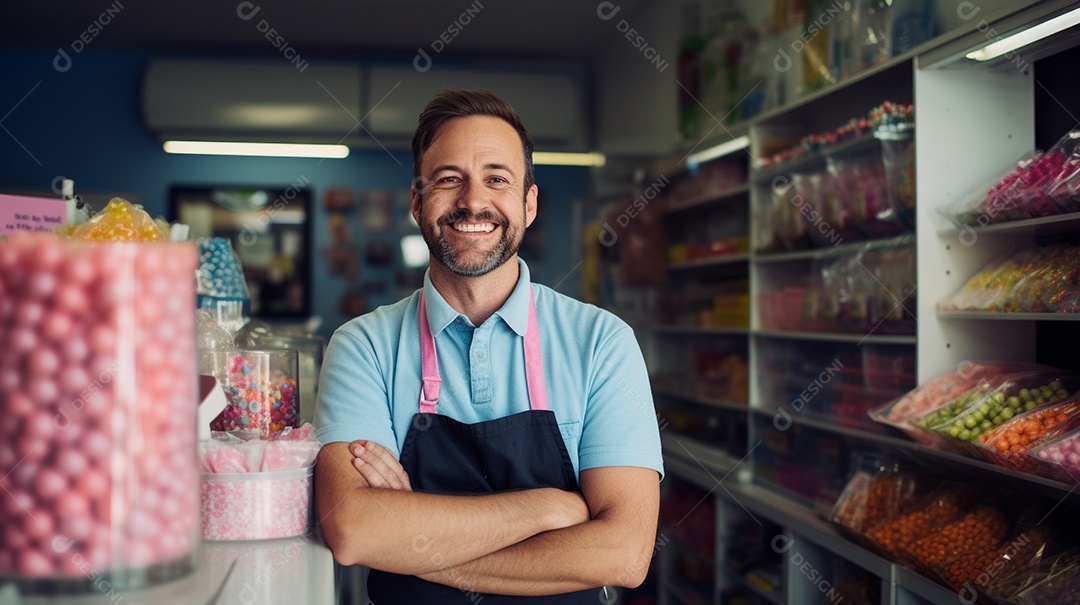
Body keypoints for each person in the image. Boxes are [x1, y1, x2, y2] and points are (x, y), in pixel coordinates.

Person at [313, 89, 663, 604]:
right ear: (417, 202)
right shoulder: (363, 346)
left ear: (529, 202)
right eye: (449, 178)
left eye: (497, 178)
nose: (473, 201)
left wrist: (412, 549)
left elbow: (624, 554)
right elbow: (353, 531)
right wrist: (547, 508)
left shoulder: (602, 343)